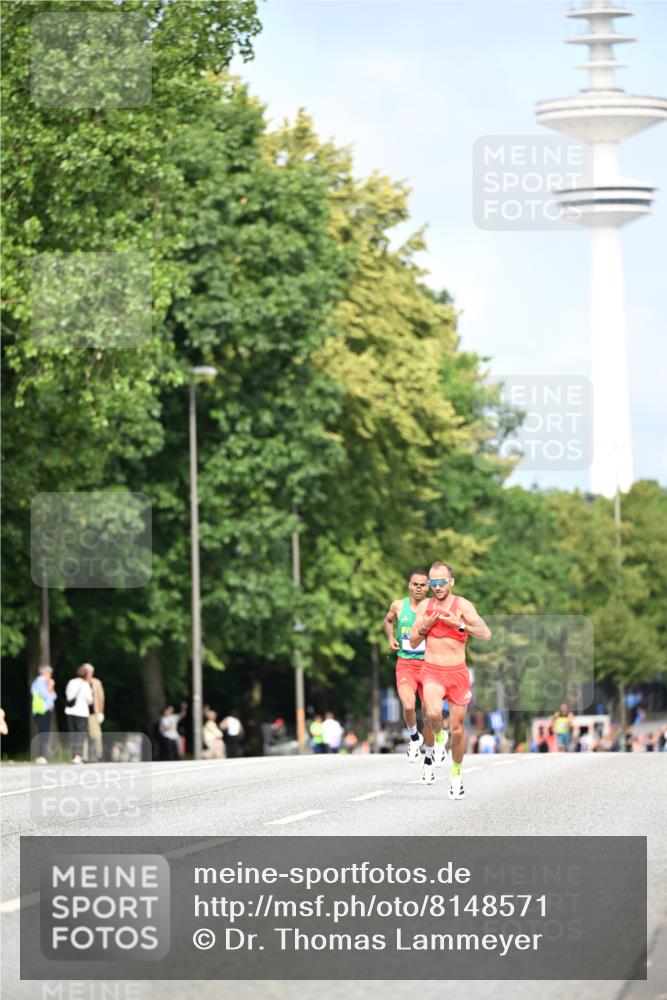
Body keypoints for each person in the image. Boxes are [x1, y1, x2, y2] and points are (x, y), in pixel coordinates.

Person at [409, 560, 491, 799]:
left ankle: (456, 774)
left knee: (457, 730)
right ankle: (438, 736)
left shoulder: (462, 605)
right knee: (433, 714)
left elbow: (486, 633)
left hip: (458, 673)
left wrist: (460, 625)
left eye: (441, 582)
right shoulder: (425, 606)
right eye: (432, 583)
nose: (436, 587)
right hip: (432, 670)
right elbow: (413, 641)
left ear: (451, 582)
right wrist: (426, 624)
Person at [384, 569, 441, 783]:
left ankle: (428, 761)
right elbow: (388, 621)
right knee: (408, 706)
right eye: (415, 584)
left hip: (428, 666)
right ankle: (414, 737)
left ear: (428, 587)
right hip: (406, 664)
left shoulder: (435, 608)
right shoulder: (399, 606)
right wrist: (390, 638)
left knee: (428, 714)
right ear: (409, 585)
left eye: (423, 585)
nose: (419, 588)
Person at [64, 665, 93, 764]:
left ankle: (73, 756)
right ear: (86, 675)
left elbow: (68, 696)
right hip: (81, 712)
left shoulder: (70, 682)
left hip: (70, 711)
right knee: (80, 734)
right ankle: (78, 755)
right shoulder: (85, 685)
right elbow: (90, 701)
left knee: (73, 734)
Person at [30, 664, 57, 763]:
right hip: (41, 710)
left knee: (45, 733)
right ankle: (40, 755)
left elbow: (54, 696)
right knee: (43, 733)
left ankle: (42, 755)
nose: (50, 675)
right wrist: (50, 686)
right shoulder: (39, 681)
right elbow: (45, 695)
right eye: (49, 673)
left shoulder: (46, 682)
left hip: (47, 710)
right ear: (45, 673)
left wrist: (50, 686)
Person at [84, 664, 105, 762]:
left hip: (93, 713)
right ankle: (84, 757)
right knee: (83, 735)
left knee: (97, 735)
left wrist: (101, 712)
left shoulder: (96, 682)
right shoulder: (80, 682)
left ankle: (98, 755)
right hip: (82, 712)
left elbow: (101, 698)